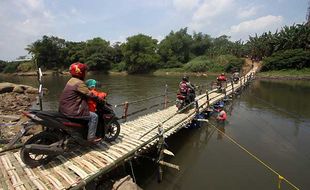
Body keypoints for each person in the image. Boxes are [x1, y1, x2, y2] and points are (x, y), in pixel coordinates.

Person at [59, 62, 102, 144]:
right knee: (94, 116)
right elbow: (90, 95)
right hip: (72, 111)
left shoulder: (71, 80)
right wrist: (100, 100)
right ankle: (91, 138)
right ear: (81, 72)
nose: (86, 73)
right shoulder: (79, 83)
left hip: (64, 109)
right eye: (85, 71)